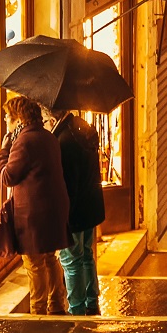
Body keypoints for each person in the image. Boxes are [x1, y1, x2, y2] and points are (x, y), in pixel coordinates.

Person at [0, 96, 71, 314]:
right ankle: (56, 305)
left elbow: (8, 177)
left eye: (8, 117)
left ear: (19, 119)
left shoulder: (24, 142)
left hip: (34, 215)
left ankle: (38, 312)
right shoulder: (48, 136)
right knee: (49, 258)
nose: (5, 120)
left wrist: (3, 151)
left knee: (34, 263)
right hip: (52, 210)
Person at [52, 110, 106, 315]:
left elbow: (69, 184)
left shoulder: (65, 141)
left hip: (75, 211)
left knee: (71, 260)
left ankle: (76, 309)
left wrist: (64, 217)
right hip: (90, 206)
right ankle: (91, 301)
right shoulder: (82, 130)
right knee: (86, 255)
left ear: (52, 116)